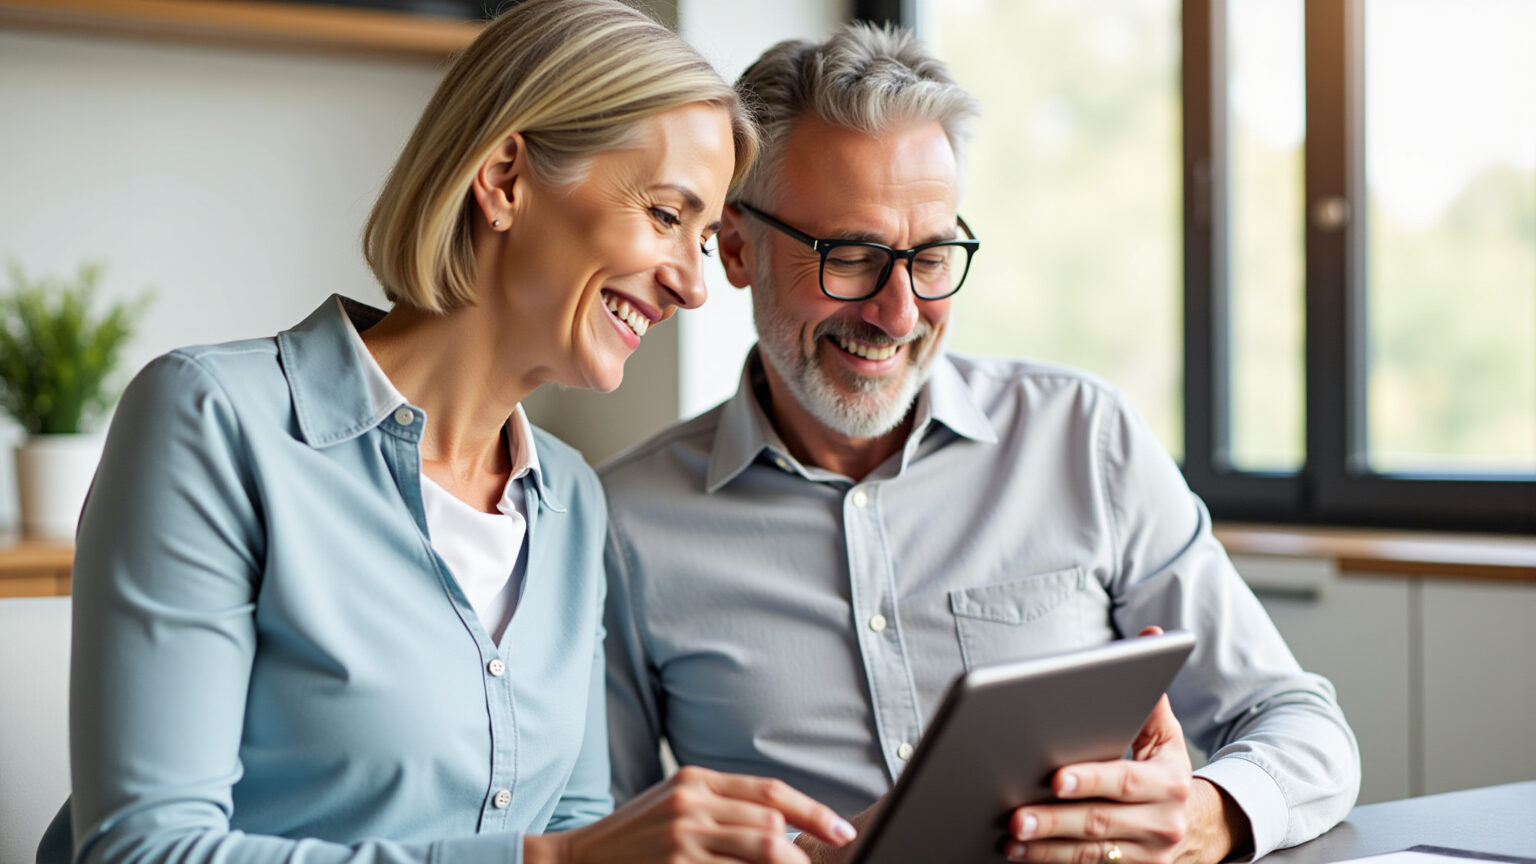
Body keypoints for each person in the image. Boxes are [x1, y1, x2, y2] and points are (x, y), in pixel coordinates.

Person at [35, 3, 859, 864]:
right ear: (504, 178)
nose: (694, 285)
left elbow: (572, 821)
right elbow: (143, 851)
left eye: (704, 235)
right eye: (664, 215)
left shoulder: (570, 499)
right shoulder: (213, 424)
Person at [600, 22, 1360, 864]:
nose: (898, 314)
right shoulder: (624, 524)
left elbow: (1303, 727)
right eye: (851, 257)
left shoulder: (1084, 440)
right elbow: (598, 833)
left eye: (931, 258)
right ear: (737, 247)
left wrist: (1204, 817)